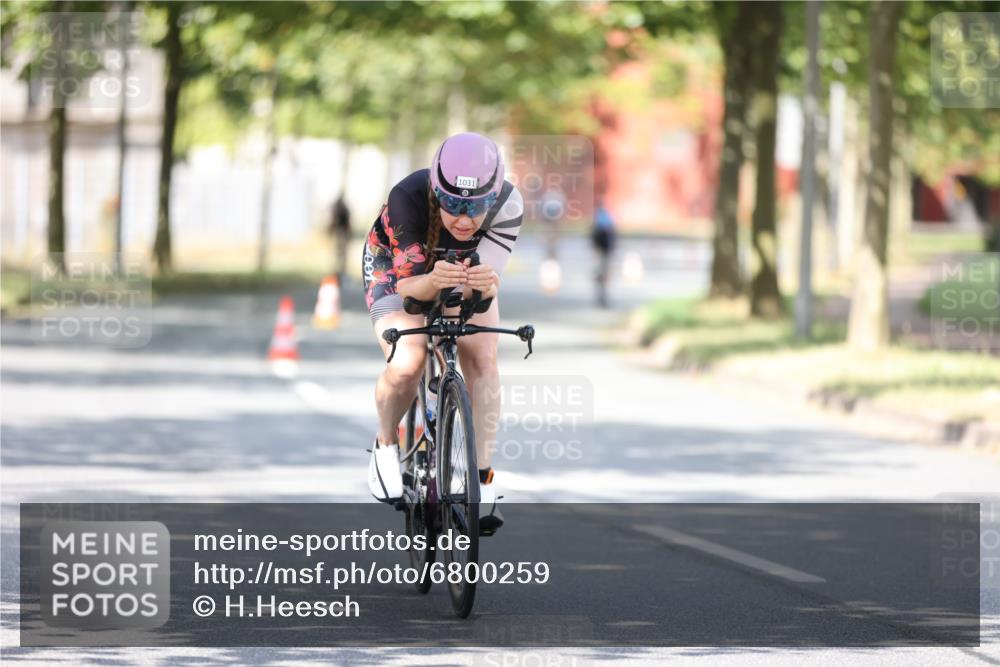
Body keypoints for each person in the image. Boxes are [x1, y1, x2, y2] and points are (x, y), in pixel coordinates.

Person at [361, 132, 523, 533]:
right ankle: (385, 444)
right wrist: (433, 281)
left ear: (494, 197)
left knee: (483, 356)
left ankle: (482, 476)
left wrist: (480, 286)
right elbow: (411, 292)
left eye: (475, 207)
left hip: (459, 272)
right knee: (409, 358)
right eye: (452, 205)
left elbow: (484, 287)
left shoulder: (509, 204)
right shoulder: (408, 196)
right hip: (395, 269)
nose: (464, 219)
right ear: (436, 189)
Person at [591, 199, 616, 307]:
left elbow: (593, 234)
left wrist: (594, 247)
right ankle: (602, 280)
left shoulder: (598, 218)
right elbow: (613, 234)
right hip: (606, 248)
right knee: (604, 268)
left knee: (601, 269)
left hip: (601, 248)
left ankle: (601, 280)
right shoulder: (607, 217)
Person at [329, 194, 351, 281]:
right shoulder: (341, 209)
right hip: (340, 233)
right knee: (339, 254)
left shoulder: (341, 210)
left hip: (341, 232)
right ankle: (337, 273)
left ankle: (340, 273)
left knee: (341, 254)